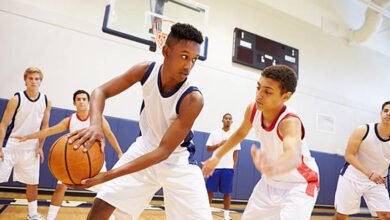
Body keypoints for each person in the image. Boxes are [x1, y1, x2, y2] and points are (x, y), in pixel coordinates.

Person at [66, 23, 212, 220]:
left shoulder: (193, 98)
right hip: (145, 148)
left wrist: (108, 175)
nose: (188, 66)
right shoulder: (145, 71)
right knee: (102, 206)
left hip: (177, 162)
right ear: (166, 51)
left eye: (194, 60)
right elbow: (100, 92)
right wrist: (95, 124)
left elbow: (163, 152)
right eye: (184, 56)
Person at [203, 65, 320, 220]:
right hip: (269, 182)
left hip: (299, 184)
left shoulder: (289, 122)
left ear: (285, 97)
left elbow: (293, 155)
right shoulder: (253, 109)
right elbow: (240, 133)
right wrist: (217, 156)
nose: (259, 95)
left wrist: (274, 166)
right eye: (258, 88)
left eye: (267, 91)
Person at [13, 89, 123, 220]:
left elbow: (109, 134)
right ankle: (51, 218)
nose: (81, 102)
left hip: (94, 162)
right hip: (73, 161)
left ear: (88, 102)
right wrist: (28, 137)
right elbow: (50, 130)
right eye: (78, 99)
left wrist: (119, 152)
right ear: (74, 103)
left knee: (105, 193)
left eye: (84, 99)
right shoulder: (70, 120)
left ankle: (112, 218)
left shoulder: (97, 118)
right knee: (60, 187)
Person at [0, 67, 51, 220]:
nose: (34, 82)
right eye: (31, 79)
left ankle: (33, 214)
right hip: (11, 145)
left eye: (37, 79)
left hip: (31, 147)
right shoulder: (17, 98)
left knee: (32, 183)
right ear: (25, 80)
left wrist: (40, 146)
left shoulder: (46, 100)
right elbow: (3, 124)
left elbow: (45, 126)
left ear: (41, 81)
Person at [333, 101, 390, 220]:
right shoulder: (363, 130)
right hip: (352, 178)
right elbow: (349, 155)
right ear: (381, 113)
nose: (388, 113)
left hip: (377, 182)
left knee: (386, 216)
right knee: (341, 216)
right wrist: (370, 174)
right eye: (386, 111)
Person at [205, 113, 240, 220]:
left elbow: (236, 152)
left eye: (230, 119)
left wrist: (233, 166)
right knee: (209, 191)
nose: (228, 120)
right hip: (215, 167)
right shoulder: (215, 133)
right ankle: (206, 213)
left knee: (227, 192)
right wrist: (219, 144)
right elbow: (208, 149)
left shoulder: (235, 135)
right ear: (222, 120)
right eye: (226, 118)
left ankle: (226, 216)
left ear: (232, 121)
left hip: (228, 168)